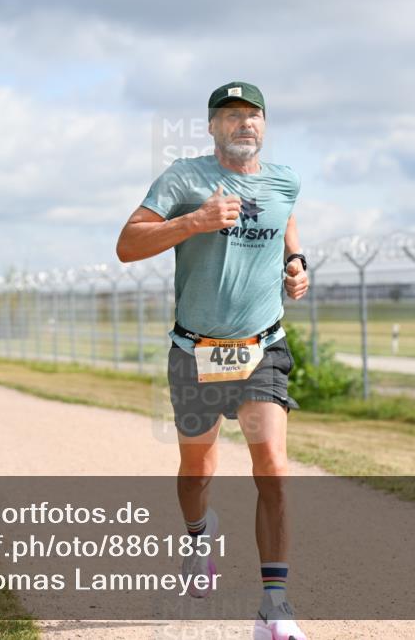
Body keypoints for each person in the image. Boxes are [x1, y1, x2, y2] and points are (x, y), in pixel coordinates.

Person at [116, 82, 310, 640]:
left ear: (265, 125)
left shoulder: (285, 179)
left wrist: (296, 261)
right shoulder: (184, 178)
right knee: (197, 471)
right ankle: (199, 537)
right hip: (196, 352)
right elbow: (127, 244)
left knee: (272, 466)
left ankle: (275, 607)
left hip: (261, 347)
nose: (243, 123)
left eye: (252, 115)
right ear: (211, 126)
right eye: (230, 115)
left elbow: (285, 216)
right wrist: (194, 222)